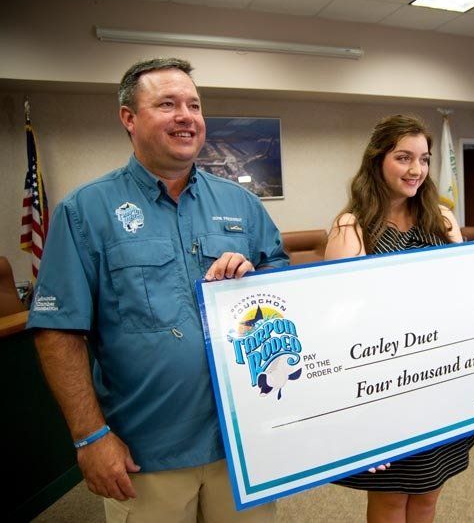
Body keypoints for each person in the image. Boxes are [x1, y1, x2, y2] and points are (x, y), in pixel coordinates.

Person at [27, 57, 287, 522]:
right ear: (129, 117)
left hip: (243, 441)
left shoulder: (242, 205)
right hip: (148, 455)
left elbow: (286, 297)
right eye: (167, 104)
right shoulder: (85, 212)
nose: (186, 116)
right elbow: (58, 332)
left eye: (194, 104)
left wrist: (257, 282)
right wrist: (90, 437)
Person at [325, 114, 473, 523]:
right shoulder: (351, 227)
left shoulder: (442, 222)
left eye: (424, 159)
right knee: (391, 500)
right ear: (378, 160)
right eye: (404, 157)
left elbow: (466, 300)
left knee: (428, 494)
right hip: (386, 386)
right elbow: (339, 327)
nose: (417, 170)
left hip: (440, 378)